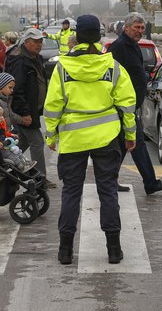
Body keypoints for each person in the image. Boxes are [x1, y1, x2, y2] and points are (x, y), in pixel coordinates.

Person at [44, 14, 137, 265]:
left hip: (73, 138)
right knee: (108, 192)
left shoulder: (62, 68)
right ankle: (114, 250)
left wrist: (51, 135)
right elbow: (128, 104)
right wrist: (130, 135)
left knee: (71, 193)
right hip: (107, 137)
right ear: (99, 36)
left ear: (76, 36)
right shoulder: (112, 66)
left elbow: (52, 105)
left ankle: (65, 251)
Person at [108, 12, 162, 195]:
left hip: (132, 104)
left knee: (125, 145)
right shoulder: (119, 47)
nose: (140, 31)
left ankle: (109, 181)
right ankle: (150, 183)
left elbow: (135, 71)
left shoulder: (132, 45)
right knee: (136, 143)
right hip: (123, 105)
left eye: (142, 28)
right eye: (136, 28)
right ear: (126, 28)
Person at [5, 28, 55, 188]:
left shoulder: (35, 58)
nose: (39, 45)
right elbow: (17, 90)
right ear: (27, 42)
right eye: (36, 42)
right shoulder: (20, 61)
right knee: (37, 142)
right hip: (24, 111)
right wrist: (25, 113)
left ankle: (2, 168)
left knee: (23, 144)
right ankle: (40, 178)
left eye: (41, 41)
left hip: (33, 109)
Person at [0, 103, 35, 174]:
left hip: (4, 145)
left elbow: (2, 133)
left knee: (17, 151)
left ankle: (25, 162)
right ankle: (21, 166)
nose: (1, 117)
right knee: (11, 155)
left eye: (2, 115)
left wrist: (10, 134)